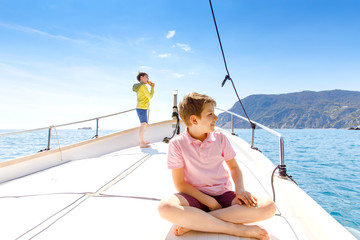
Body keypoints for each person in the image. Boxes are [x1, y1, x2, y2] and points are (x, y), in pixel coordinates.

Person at [158, 92, 276, 239]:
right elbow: (180, 184)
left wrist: (240, 189)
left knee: (269, 207)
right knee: (165, 207)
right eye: (210, 114)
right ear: (194, 120)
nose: (216, 118)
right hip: (193, 196)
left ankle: (196, 222)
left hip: (223, 194)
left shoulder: (220, 138)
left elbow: (234, 167)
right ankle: (235, 229)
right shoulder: (177, 144)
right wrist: (210, 202)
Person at [132, 72, 155, 148]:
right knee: (143, 124)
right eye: (147, 77)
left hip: (141, 108)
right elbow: (150, 96)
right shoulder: (143, 86)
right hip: (142, 108)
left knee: (143, 124)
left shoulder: (139, 86)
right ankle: (141, 143)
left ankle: (142, 141)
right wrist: (152, 87)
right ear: (141, 77)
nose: (148, 79)